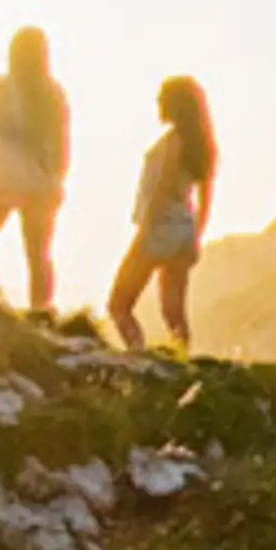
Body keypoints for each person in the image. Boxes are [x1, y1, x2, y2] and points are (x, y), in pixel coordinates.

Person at [0, 27, 71, 313]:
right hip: (38, 181)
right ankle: (41, 310)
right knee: (38, 255)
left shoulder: (1, 88)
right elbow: (62, 142)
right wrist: (58, 179)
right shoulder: (52, 93)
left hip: (0, 178)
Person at [108, 75, 216, 351]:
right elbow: (205, 196)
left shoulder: (173, 142)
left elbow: (163, 187)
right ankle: (182, 359)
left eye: (161, 98)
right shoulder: (202, 146)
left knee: (119, 302)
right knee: (174, 311)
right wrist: (196, 235)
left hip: (160, 225)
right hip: (184, 226)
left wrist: (146, 228)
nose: (157, 103)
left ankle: (137, 352)